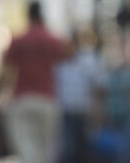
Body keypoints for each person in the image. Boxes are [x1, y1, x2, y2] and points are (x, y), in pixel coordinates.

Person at [0, 0, 70, 163]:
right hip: (47, 98)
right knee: (46, 150)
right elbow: (67, 55)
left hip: (22, 97)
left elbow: (6, 67)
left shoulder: (18, 41)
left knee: (26, 148)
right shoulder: (52, 40)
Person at [55, 28, 103, 163]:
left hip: (84, 112)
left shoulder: (88, 61)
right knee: (69, 149)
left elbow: (97, 88)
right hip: (66, 112)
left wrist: (98, 113)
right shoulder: (58, 65)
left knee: (84, 148)